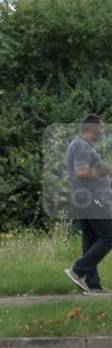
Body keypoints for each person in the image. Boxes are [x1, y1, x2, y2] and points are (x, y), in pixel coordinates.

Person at [64, 113, 112, 295]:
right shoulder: (81, 146)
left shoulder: (83, 146)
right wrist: (106, 169)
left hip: (84, 198)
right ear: (91, 128)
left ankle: (93, 285)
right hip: (90, 198)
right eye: (100, 128)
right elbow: (82, 173)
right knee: (109, 236)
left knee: (92, 240)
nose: (102, 131)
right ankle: (78, 270)